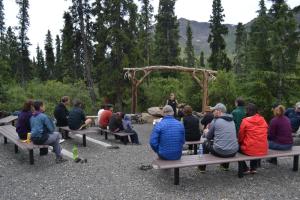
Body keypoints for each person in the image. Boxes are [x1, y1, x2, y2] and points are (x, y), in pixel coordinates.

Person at [201, 103, 239, 171]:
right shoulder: (232, 120)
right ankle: (225, 166)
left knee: (205, 143)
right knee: (226, 142)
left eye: (214, 110)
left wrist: (206, 131)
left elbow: (208, 137)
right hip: (233, 151)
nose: (213, 112)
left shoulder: (215, 121)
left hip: (220, 152)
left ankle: (202, 167)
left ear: (219, 111)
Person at [239, 103, 268, 174]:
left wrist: (240, 142)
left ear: (247, 111)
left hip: (251, 149)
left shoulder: (245, 121)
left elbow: (240, 135)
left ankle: (245, 168)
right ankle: (253, 168)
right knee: (255, 143)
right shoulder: (263, 119)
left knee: (236, 148)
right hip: (263, 149)